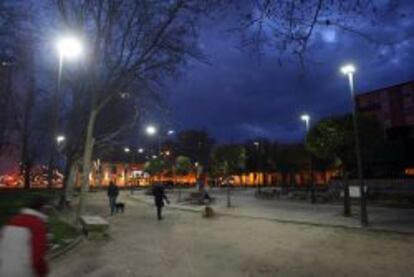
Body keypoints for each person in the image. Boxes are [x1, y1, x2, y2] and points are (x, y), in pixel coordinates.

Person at [0, 196, 49, 277]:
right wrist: (43, 272)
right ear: (42, 208)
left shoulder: (12, 220)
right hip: (23, 272)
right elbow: (37, 258)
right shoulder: (38, 225)